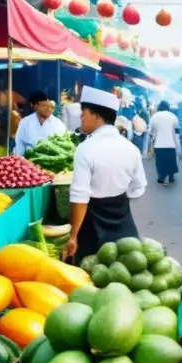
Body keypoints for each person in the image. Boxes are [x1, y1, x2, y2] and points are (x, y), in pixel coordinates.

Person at [62, 87, 146, 261]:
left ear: (97, 116)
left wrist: (73, 236)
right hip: (123, 220)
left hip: (92, 224)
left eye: (83, 113)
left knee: (92, 274)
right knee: (126, 270)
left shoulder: (85, 149)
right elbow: (138, 187)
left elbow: (79, 197)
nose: (81, 118)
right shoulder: (131, 148)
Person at [15, 91, 66, 157]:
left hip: (51, 163)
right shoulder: (25, 122)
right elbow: (20, 145)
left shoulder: (59, 124)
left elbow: (62, 149)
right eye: (44, 105)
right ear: (35, 106)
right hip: (28, 163)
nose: (47, 108)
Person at [148, 100, 181, 185]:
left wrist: (152, 138)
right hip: (171, 144)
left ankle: (161, 177)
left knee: (160, 162)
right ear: (168, 107)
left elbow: (149, 132)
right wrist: (178, 145)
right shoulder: (174, 117)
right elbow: (177, 132)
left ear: (159, 107)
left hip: (159, 144)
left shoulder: (154, 117)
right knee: (171, 161)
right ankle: (171, 177)